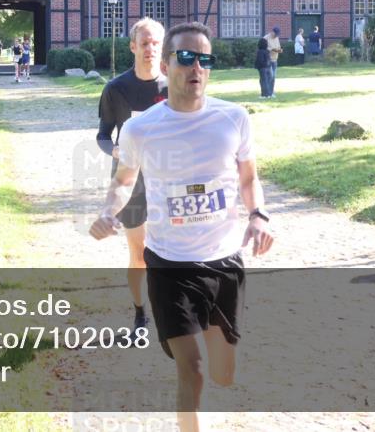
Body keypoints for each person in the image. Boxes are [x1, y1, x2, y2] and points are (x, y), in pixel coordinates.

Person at [90, 21, 274, 432]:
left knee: (224, 373)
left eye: (204, 59)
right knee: (191, 369)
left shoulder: (234, 118)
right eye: (186, 57)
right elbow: (122, 182)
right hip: (169, 263)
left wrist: (258, 216)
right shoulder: (141, 128)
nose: (196, 67)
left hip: (225, 262)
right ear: (168, 63)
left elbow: (248, 179)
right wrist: (108, 212)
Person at [95, 17, 168, 338]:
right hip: (130, 180)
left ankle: (173, 308)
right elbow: (102, 135)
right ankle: (141, 314)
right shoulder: (116, 89)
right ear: (133, 46)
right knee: (139, 252)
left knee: (171, 251)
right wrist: (113, 151)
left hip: (169, 178)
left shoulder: (174, 86)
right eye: (145, 43)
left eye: (156, 43)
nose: (150, 49)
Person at [262, 26, 282, 99]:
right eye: (276, 34)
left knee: (273, 77)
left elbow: (278, 47)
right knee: (270, 76)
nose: (277, 35)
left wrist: (279, 50)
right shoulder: (265, 38)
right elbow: (263, 49)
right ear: (272, 32)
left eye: (278, 34)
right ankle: (267, 92)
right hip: (268, 60)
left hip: (275, 60)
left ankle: (271, 92)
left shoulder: (277, 38)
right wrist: (272, 49)